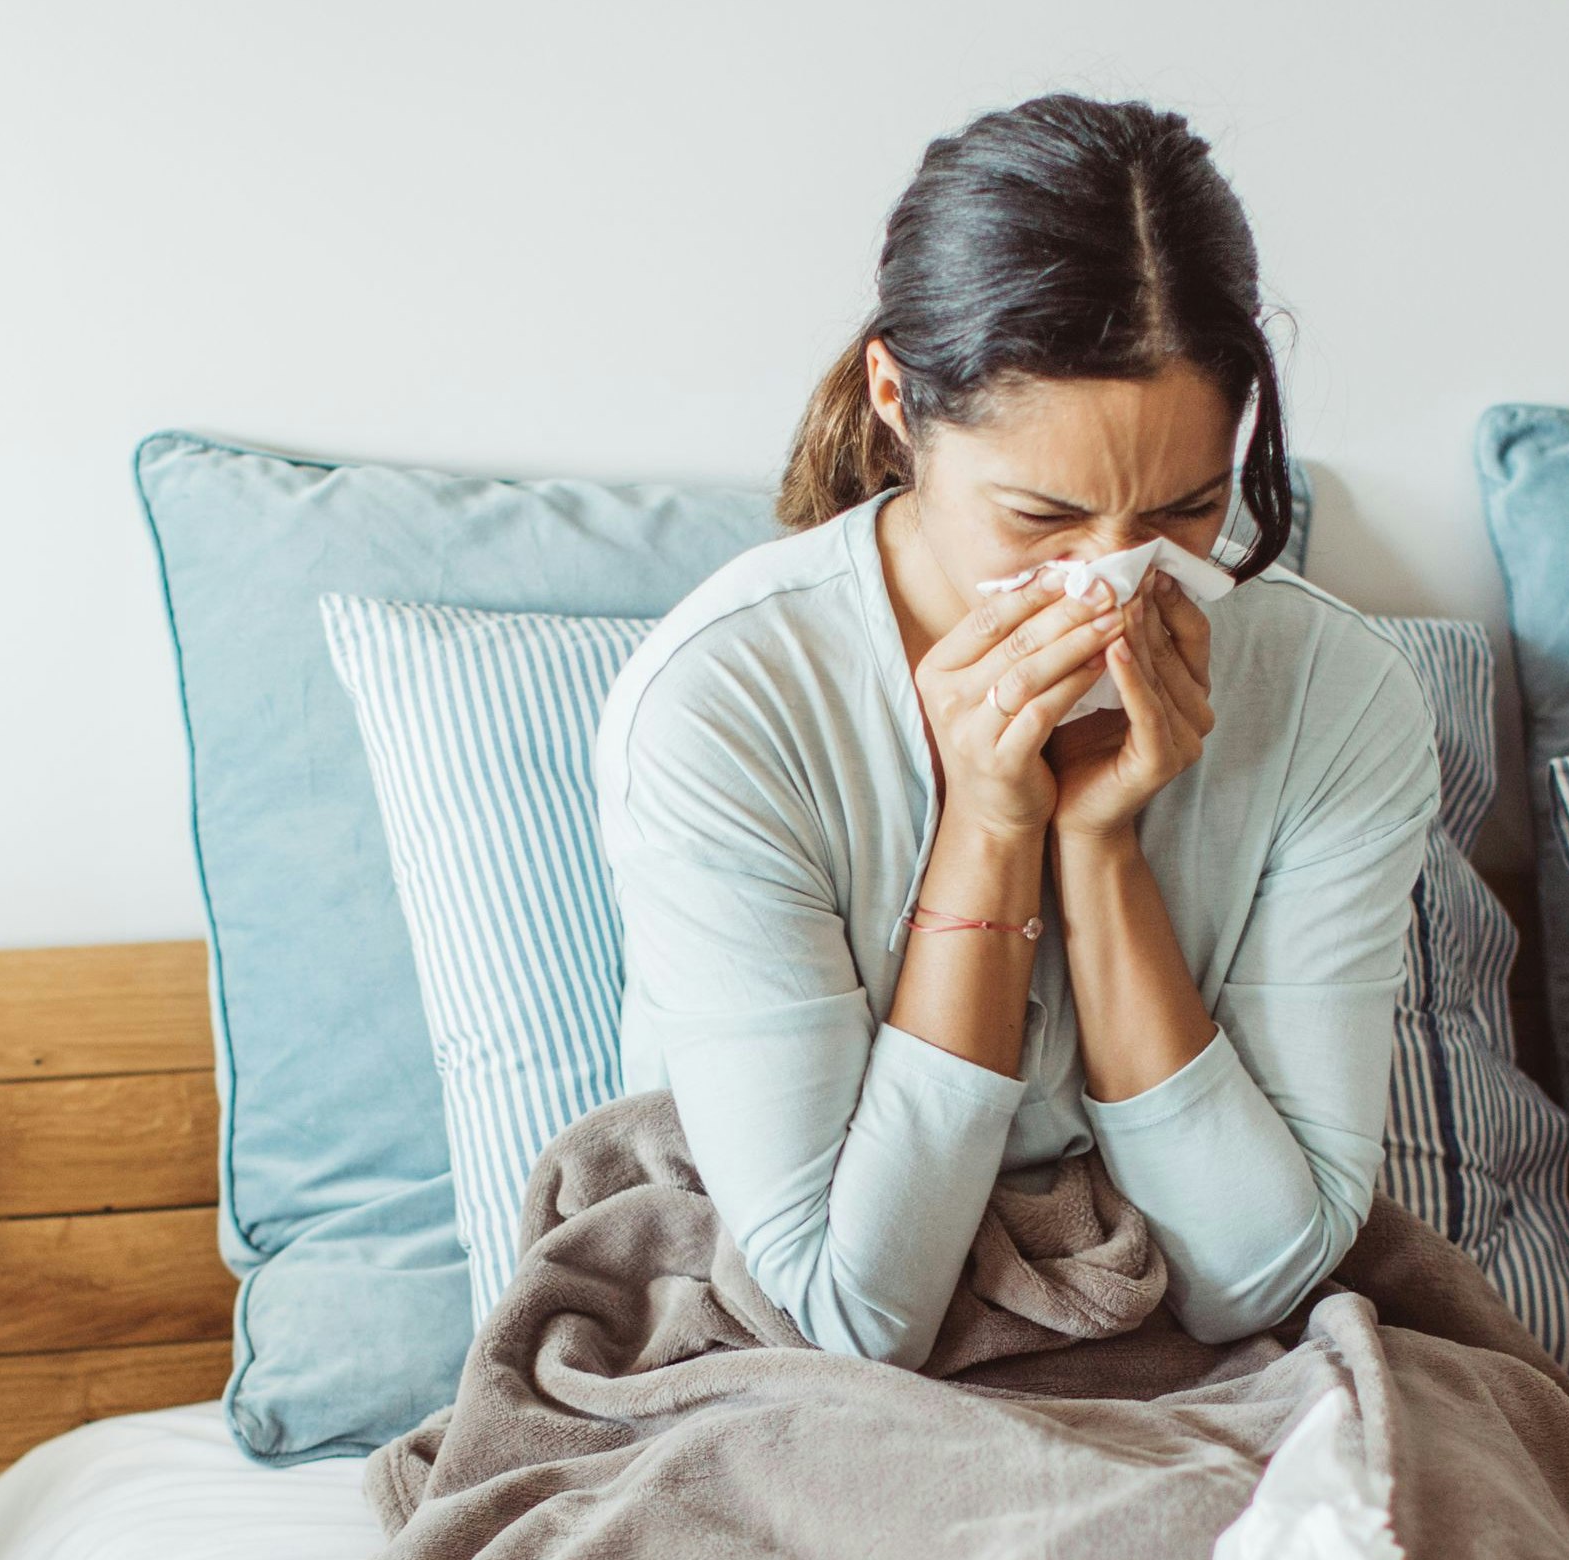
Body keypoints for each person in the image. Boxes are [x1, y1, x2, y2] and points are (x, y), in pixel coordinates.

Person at [596, 93, 1437, 1371]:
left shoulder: (1337, 695)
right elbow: (850, 1314)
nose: (1114, 578)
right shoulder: (728, 704)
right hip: (801, 1377)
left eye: (1186, 509)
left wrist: (1101, 852)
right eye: (1042, 516)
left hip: (1200, 1365)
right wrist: (990, 828)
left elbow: (1255, 1277)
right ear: (894, 396)